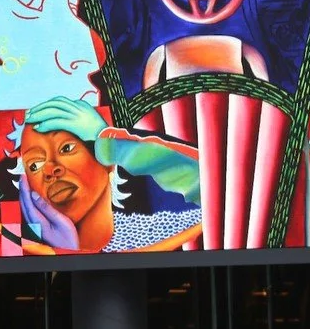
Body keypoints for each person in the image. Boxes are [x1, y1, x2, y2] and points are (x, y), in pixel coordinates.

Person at [16, 97, 202, 253]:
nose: (49, 170)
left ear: (108, 162)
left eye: (67, 148)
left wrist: (111, 142)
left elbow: (218, 189)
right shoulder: (19, 245)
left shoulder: (160, 231)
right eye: (35, 164)